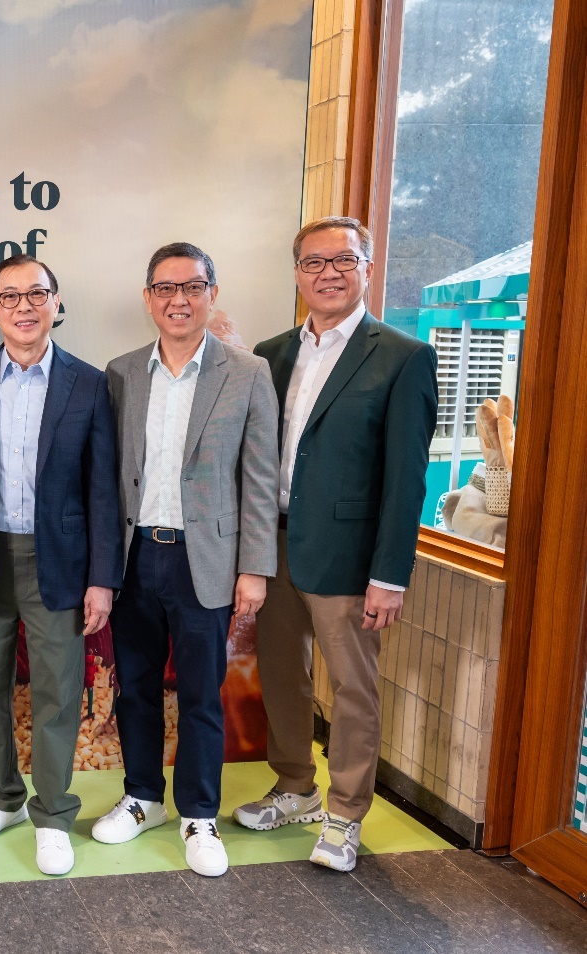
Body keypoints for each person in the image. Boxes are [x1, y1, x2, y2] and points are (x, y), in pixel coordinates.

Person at [234, 216, 437, 872]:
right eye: (314, 262)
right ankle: (295, 786)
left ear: (367, 269)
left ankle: (345, 813)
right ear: (297, 274)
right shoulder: (269, 353)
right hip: (273, 545)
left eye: (343, 260)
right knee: (281, 676)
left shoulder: (402, 356)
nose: (328, 273)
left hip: (348, 555)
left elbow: (407, 479)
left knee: (352, 687)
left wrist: (390, 575)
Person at [98, 242, 279, 877]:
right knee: (135, 688)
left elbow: (260, 478)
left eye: (193, 287)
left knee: (202, 693)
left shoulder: (247, 373)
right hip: (133, 556)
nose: (179, 300)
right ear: (148, 298)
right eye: (166, 288)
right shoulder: (121, 373)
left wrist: (254, 567)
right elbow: (108, 479)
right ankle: (143, 797)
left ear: (212, 294)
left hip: (207, 561)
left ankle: (199, 813)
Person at [0, 254, 121, 876]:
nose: (24, 307)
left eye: (36, 294)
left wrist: (102, 578)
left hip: (61, 564)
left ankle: (52, 815)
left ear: (56, 303)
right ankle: (2, 800)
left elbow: (103, 490)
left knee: (57, 692)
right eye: (10, 296)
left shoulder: (88, 383)